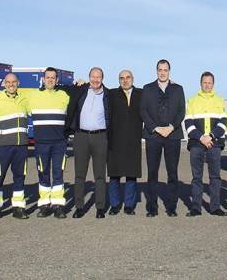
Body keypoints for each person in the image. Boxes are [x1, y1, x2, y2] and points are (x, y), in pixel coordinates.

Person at [140, 59, 185, 217]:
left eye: (165, 70)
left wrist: (171, 127)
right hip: (154, 136)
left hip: (173, 135)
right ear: (156, 71)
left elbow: (181, 111)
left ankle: (171, 207)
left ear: (169, 71)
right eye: (160, 69)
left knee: (172, 173)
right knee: (152, 173)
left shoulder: (178, 89)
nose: (162, 72)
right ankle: (152, 208)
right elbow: (143, 111)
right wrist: (156, 128)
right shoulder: (148, 89)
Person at [65, 67, 111, 218]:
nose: (95, 80)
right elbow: (63, 89)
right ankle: (79, 207)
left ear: (102, 79)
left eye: (98, 77)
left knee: (100, 175)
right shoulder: (81, 90)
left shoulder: (108, 94)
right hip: (81, 136)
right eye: (93, 77)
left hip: (100, 137)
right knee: (79, 174)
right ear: (89, 77)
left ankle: (100, 207)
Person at [26, 67, 71, 219]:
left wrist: (82, 84)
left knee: (58, 174)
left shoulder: (64, 95)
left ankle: (58, 205)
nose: (50, 80)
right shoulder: (32, 96)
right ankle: (45, 205)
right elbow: (17, 102)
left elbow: (78, 99)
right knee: (43, 173)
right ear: (43, 79)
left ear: (57, 80)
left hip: (59, 143)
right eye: (48, 77)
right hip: (41, 143)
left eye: (53, 77)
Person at [0, 73, 31, 219]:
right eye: (8, 82)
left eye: (14, 82)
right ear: (4, 84)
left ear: (18, 83)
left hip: (21, 146)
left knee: (19, 177)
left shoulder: (25, 100)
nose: (11, 84)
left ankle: (18, 207)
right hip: (3, 146)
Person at [184, 71, 227, 217]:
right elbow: (188, 123)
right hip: (197, 144)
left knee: (215, 177)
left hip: (214, 143)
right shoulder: (192, 100)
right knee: (197, 177)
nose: (207, 85)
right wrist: (201, 137)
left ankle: (215, 207)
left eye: (209, 82)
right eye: (204, 82)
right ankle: (196, 207)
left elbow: (223, 123)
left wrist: (211, 136)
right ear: (200, 83)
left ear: (213, 84)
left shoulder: (220, 100)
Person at [106, 69, 143, 215]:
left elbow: (156, 91)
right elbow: (97, 86)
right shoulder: (112, 94)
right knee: (114, 174)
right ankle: (114, 204)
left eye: (128, 77)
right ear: (118, 80)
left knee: (131, 173)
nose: (125, 80)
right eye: (122, 78)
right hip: (115, 139)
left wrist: (171, 85)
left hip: (133, 139)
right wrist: (83, 84)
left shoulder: (141, 94)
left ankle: (129, 205)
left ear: (133, 79)